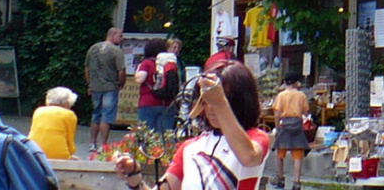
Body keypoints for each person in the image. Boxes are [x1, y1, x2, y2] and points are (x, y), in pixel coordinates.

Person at [111, 61, 271, 190]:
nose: (211, 107)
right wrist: (134, 177)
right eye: (206, 99)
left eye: (225, 99)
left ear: (242, 101)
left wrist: (220, 102)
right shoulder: (190, 147)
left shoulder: (255, 137)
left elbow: (249, 157)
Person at [86, 27, 128, 152]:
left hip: (95, 87)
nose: (122, 39)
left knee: (96, 114)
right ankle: (102, 144)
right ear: (112, 35)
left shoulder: (93, 48)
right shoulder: (116, 51)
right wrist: (121, 83)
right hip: (110, 87)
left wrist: (90, 84)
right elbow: (121, 71)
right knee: (107, 116)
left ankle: (92, 143)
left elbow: (87, 69)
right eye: (120, 36)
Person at [270, 74, 311, 190]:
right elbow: (306, 112)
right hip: (297, 125)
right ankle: (296, 182)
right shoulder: (301, 95)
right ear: (296, 83)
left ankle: (280, 178)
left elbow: (277, 114)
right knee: (297, 155)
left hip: (284, 125)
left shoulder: (281, 95)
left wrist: (277, 128)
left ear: (285, 83)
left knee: (280, 153)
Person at [29, 87, 79, 160]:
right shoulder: (69, 115)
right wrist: (70, 154)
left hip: (33, 150)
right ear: (67, 103)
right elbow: (69, 139)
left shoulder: (38, 111)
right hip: (58, 154)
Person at [135, 38, 171, 133]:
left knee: (146, 135)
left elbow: (140, 79)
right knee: (164, 137)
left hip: (148, 102)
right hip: (166, 102)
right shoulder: (169, 64)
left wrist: (138, 68)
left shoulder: (146, 63)